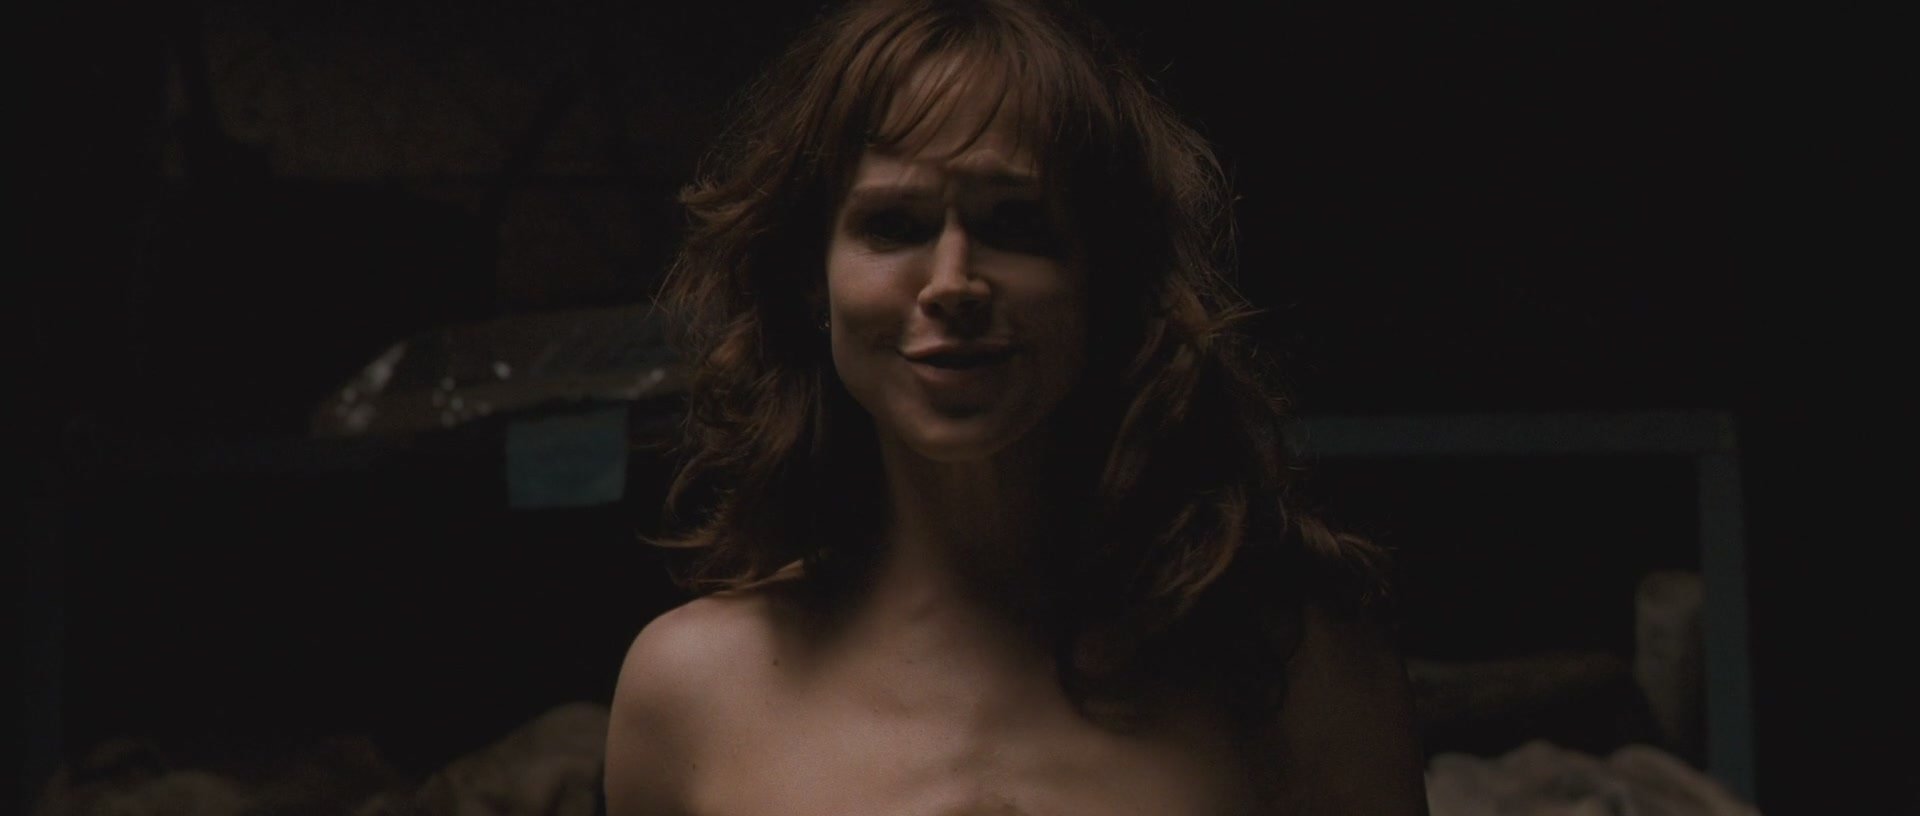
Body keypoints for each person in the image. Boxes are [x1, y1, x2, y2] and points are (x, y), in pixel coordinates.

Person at [605, 0, 1429, 812]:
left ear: (1107, 277)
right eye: (893, 224)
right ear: (810, 279)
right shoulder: (688, 696)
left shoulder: (1298, 668)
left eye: (1017, 223)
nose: (953, 282)